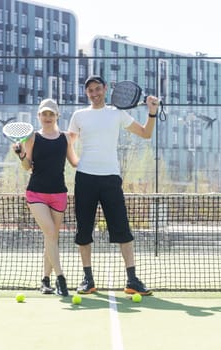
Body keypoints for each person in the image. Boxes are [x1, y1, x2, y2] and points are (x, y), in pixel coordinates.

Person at [68, 75, 159, 296]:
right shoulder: (79, 116)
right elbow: (68, 142)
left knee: (122, 229)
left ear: (105, 89)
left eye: (98, 89)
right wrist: (75, 163)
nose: (94, 93)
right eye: (90, 90)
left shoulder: (117, 113)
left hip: (110, 179)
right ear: (86, 93)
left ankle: (132, 280)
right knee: (84, 231)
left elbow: (146, 134)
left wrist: (152, 112)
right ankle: (87, 279)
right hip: (85, 178)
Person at [13, 98, 78, 296]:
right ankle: (61, 279)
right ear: (39, 116)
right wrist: (21, 155)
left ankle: (45, 279)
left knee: (51, 237)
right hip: (36, 193)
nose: (48, 117)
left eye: (51, 114)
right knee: (50, 233)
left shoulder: (66, 138)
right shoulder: (31, 138)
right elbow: (27, 166)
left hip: (59, 193)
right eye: (44, 114)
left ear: (57, 116)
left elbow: (74, 161)